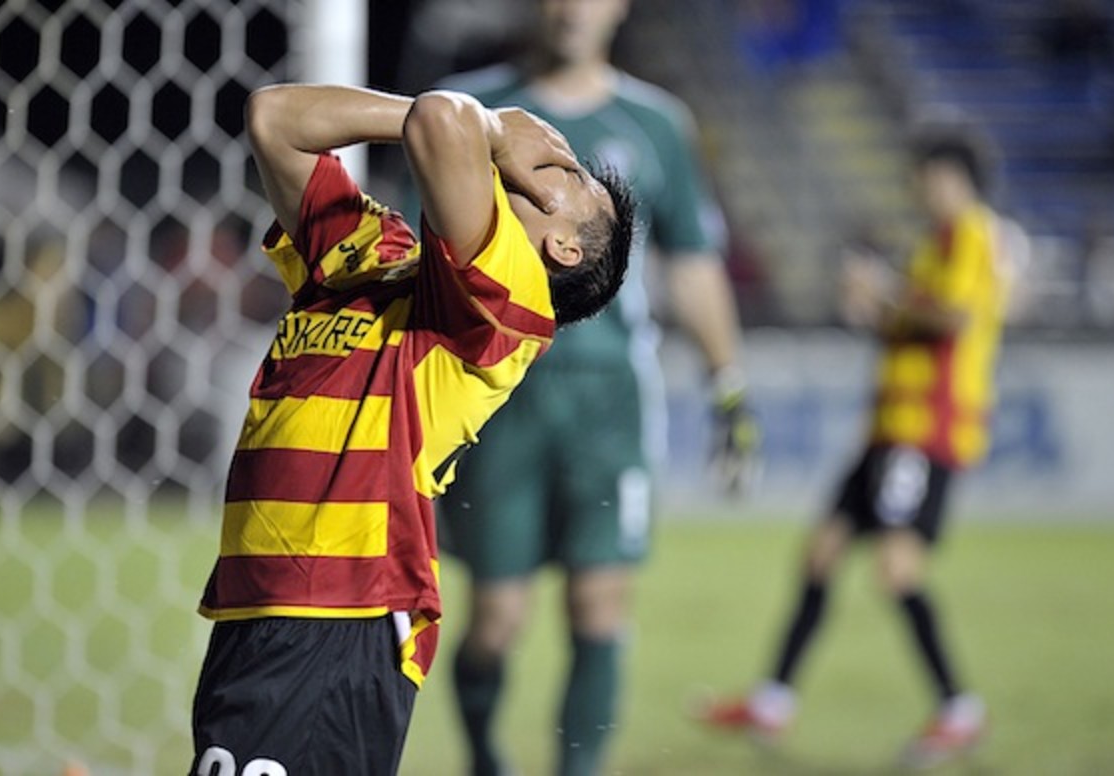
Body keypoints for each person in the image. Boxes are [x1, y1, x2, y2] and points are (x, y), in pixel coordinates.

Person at [189, 83, 635, 775]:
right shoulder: (377, 256)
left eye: (565, 174)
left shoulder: (508, 305)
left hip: (341, 608)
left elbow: (442, 121)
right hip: (266, 602)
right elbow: (274, 117)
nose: (543, 153)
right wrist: (472, 130)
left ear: (562, 248)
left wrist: (492, 126)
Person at [406, 2, 757, 774]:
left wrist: (728, 384)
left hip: (611, 402)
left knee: (600, 603)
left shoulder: (657, 123)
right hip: (498, 394)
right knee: (496, 617)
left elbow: (692, 263)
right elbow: (414, 250)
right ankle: (486, 758)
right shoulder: (470, 109)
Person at [697, 124, 1010, 769]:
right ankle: (773, 700)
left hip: (925, 433)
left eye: (929, 175)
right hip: (889, 430)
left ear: (953, 178)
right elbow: (916, 322)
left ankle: (959, 709)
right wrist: (876, 309)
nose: (921, 188)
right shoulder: (935, 245)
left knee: (897, 567)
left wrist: (885, 294)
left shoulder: (971, 233)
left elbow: (952, 318)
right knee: (822, 553)